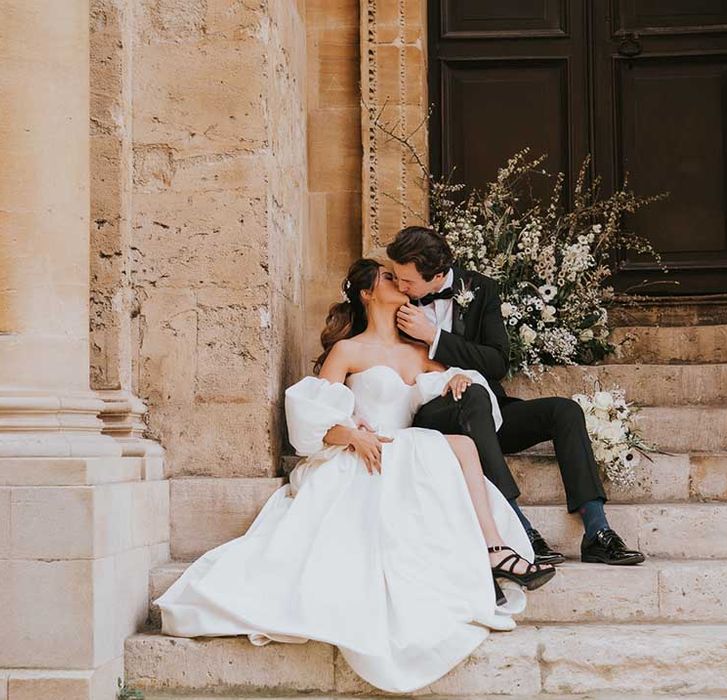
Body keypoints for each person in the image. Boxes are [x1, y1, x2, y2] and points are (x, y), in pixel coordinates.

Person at [156, 258, 555, 694]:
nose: (400, 282)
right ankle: (481, 558)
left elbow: (456, 380)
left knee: (460, 445)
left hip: (406, 443)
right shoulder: (348, 351)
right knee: (430, 459)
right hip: (363, 450)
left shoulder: (420, 351)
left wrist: (457, 381)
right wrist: (350, 435)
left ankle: (493, 549)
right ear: (367, 292)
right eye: (389, 277)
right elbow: (311, 417)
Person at [386, 225, 645, 566]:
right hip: (435, 418)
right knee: (473, 399)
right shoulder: (393, 298)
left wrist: (434, 336)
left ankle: (597, 531)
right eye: (397, 279)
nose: (400, 287)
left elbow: (496, 361)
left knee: (564, 411)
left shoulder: (481, 289)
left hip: (488, 411)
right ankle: (518, 527)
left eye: (408, 282)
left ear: (436, 276)